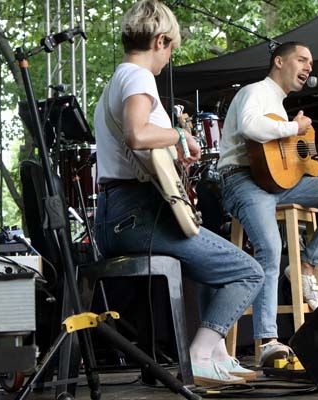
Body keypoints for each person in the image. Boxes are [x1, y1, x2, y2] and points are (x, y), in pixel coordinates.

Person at [93, 0, 264, 386]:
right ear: (160, 40)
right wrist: (181, 135)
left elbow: (135, 150)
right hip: (137, 213)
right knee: (247, 271)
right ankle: (201, 354)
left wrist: (170, 158)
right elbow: (138, 133)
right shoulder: (138, 78)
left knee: (209, 269)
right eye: (171, 48)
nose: (169, 59)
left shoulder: (115, 80)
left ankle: (218, 353)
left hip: (115, 216)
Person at [217, 41, 318, 367]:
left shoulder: (280, 108)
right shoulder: (256, 92)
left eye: (311, 61)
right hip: (242, 180)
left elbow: (289, 165)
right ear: (279, 61)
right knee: (268, 245)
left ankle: (308, 263)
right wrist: (295, 127)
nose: (309, 67)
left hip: (275, 185)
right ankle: (268, 340)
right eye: (302, 59)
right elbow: (251, 127)